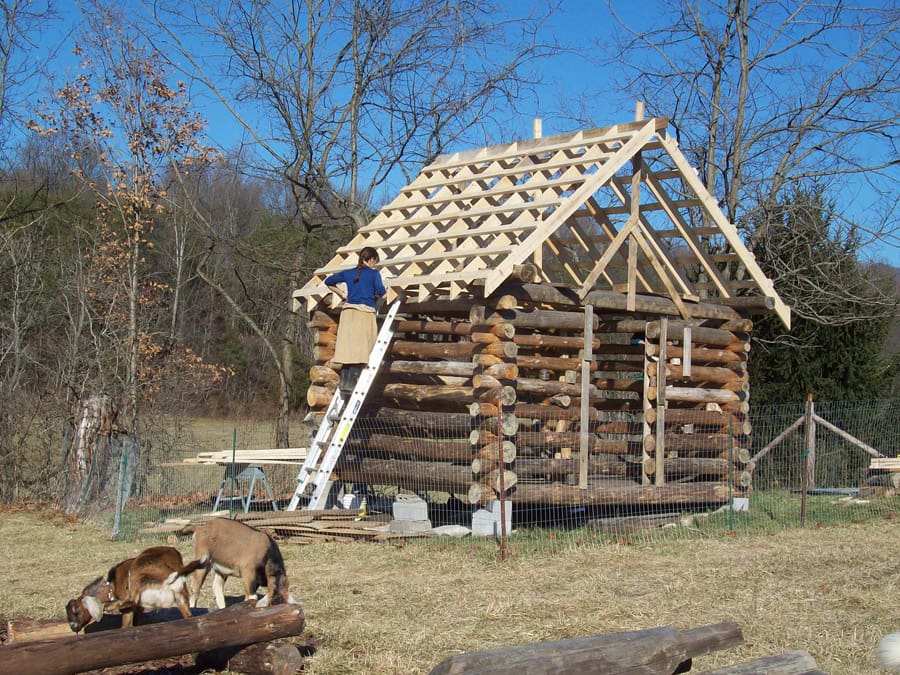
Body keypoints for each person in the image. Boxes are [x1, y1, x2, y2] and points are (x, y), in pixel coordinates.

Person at [324, 246, 387, 395]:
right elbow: (382, 293)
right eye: (374, 261)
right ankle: (351, 381)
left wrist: (342, 294)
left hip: (348, 314)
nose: (374, 264)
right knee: (362, 349)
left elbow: (329, 281)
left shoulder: (349, 273)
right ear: (371, 259)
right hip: (363, 313)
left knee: (348, 349)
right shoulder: (374, 274)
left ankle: (345, 382)